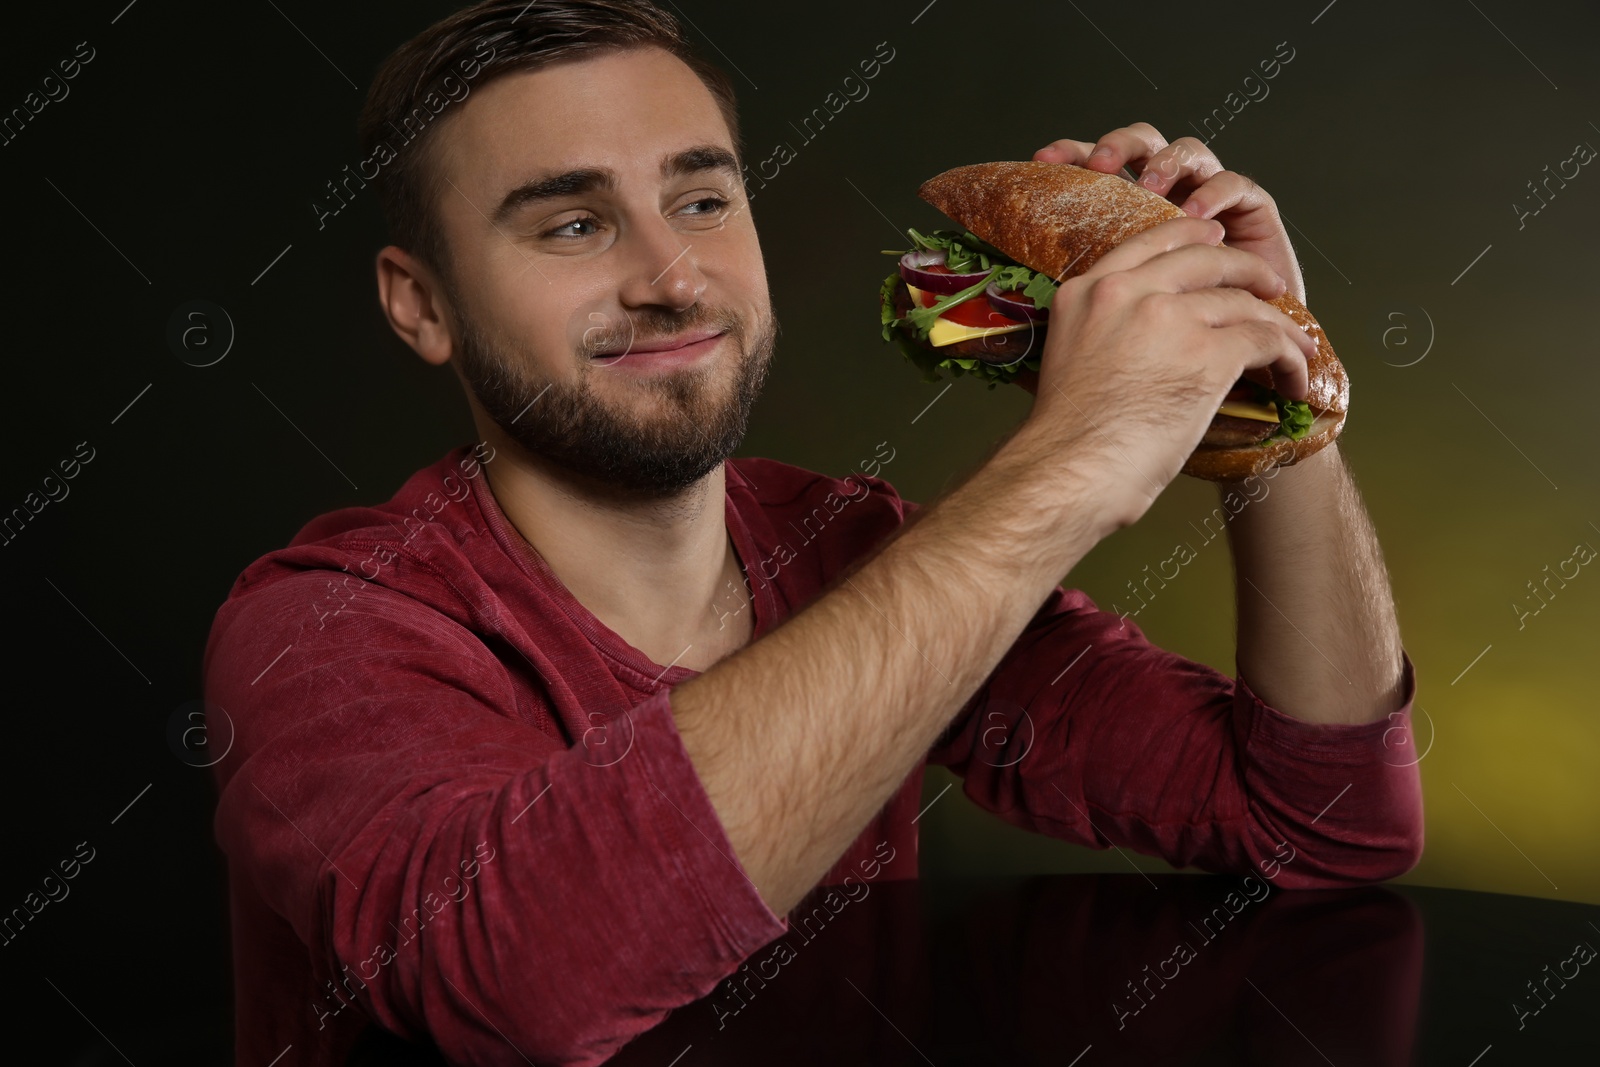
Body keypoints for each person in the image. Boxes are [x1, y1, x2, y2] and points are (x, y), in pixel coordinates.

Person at [201, 1, 1424, 1064]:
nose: (673, 276)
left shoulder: (850, 549)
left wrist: (1276, 382)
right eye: (571, 224)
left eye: (700, 197)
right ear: (421, 305)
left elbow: (1323, 822)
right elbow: (526, 983)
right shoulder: (321, 628)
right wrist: (1066, 467)